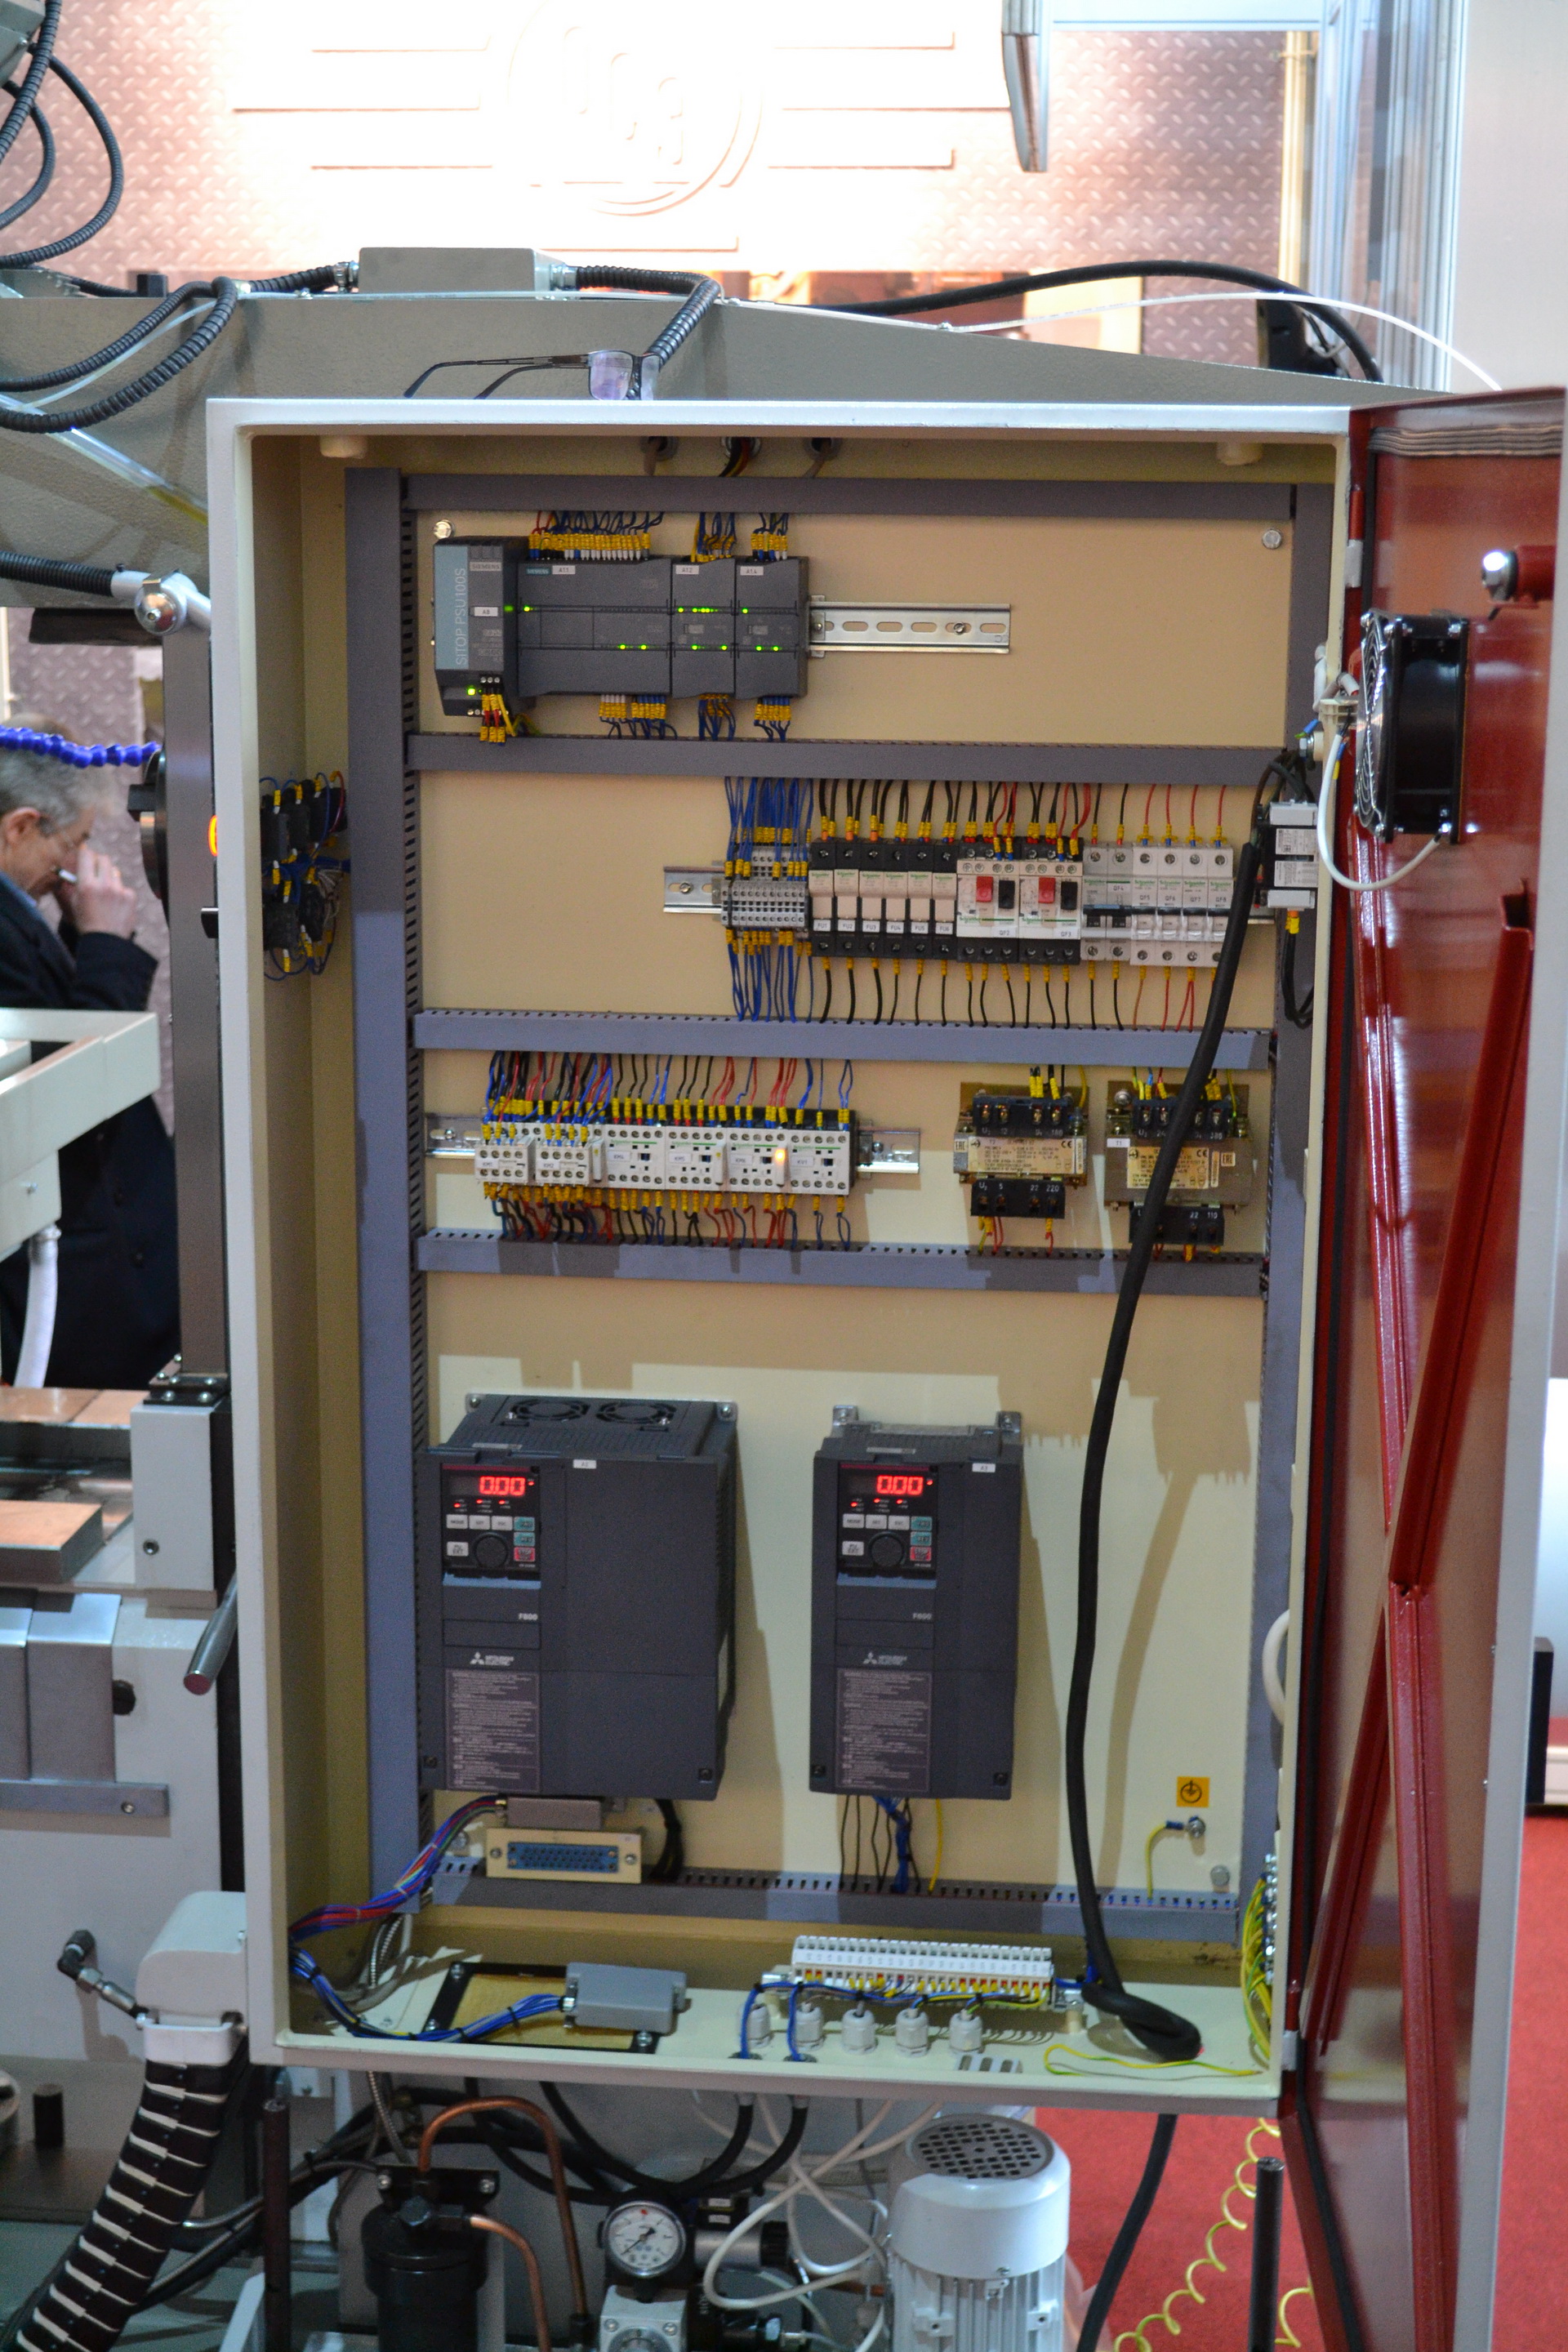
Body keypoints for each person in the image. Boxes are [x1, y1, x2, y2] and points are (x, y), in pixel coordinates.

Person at [0, 723, 177, 1388]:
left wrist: (81, 934)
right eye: (71, 844)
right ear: (21, 827)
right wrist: (103, 941)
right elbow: (67, 1094)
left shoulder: (17, 912)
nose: (73, 866)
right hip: (76, 1259)